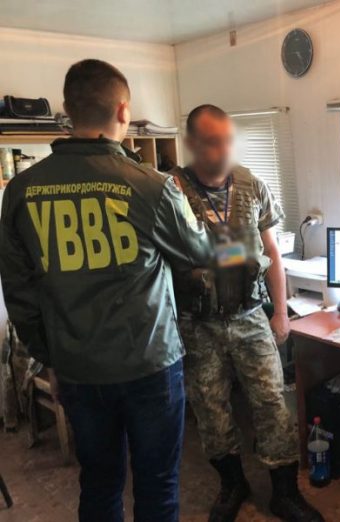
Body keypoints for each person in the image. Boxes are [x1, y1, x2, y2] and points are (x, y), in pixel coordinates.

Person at [0, 59, 211, 522]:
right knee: (158, 487)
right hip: (151, 365)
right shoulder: (152, 185)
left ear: (67, 111)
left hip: (78, 369)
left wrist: (49, 359)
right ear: (122, 111)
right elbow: (199, 251)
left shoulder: (21, 190)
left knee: (98, 485)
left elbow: (19, 294)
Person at [171, 104, 323, 522]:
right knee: (211, 410)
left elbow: (272, 250)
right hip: (198, 323)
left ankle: (285, 493)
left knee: (273, 403)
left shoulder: (251, 185)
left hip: (249, 314)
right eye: (211, 142)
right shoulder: (172, 192)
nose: (222, 150)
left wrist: (281, 314)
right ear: (191, 144)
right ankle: (232, 484)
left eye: (227, 141)